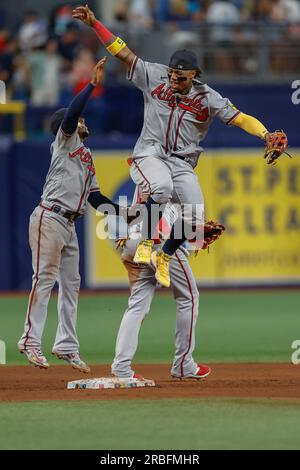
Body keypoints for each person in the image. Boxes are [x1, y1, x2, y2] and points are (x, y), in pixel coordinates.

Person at [73, 5, 277, 289]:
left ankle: (164, 256)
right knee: (161, 188)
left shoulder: (208, 97)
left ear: (195, 75)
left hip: (182, 162)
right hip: (150, 153)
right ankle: (145, 241)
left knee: (194, 217)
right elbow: (122, 51)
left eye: (180, 77)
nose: (173, 80)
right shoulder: (154, 75)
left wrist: (265, 135)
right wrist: (96, 25)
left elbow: (241, 118)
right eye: (171, 74)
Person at [18, 57, 134, 373]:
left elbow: (96, 197)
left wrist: (124, 214)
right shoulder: (65, 141)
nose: (83, 122)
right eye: (78, 119)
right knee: (43, 278)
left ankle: (66, 344)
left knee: (71, 284)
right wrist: (92, 84)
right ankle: (29, 341)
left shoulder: (86, 156)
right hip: (49, 217)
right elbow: (70, 116)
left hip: (69, 223)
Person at [111, 184, 213, 379]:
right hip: (160, 243)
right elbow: (182, 220)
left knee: (137, 306)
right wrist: (194, 234)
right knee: (189, 298)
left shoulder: (147, 175)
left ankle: (121, 367)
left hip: (133, 241)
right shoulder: (177, 177)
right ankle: (184, 364)